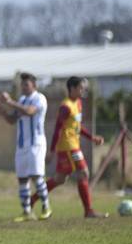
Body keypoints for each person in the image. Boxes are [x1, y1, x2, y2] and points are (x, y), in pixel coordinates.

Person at [29, 76, 107, 218]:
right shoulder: (65, 106)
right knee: (83, 173)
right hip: (68, 147)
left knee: (59, 179)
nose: (83, 90)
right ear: (72, 88)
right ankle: (88, 211)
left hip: (72, 145)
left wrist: (92, 138)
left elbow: (76, 126)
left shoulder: (78, 103)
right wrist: (52, 151)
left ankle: (32, 199)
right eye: (80, 88)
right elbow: (58, 128)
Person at [0, 72, 52, 222]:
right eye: (22, 85)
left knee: (36, 176)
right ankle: (27, 211)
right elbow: (13, 119)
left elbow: (29, 111)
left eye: (26, 85)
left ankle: (46, 207)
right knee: (22, 178)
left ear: (34, 85)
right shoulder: (22, 99)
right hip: (21, 145)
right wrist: (2, 112)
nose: (23, 87)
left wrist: (10, 102)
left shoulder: (39, 98)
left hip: (36, 143)